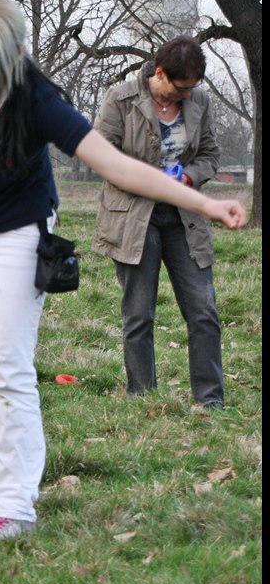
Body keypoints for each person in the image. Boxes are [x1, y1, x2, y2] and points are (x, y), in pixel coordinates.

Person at [0, 0, 246, 540]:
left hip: (19, 234)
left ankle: (14, 508)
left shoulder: (40, 100)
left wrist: (207, 204)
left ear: (14, 61)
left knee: (8, 373)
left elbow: (119, 165)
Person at [92, 35, 227, 409]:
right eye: (181, 88)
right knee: (138, 314)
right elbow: (101, 155)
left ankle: (211, 401)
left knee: (203, 311)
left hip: (184, 217)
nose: (186, 96)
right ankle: (143, 400)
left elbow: (211, 154)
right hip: (134, 217)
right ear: (161, 74)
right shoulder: (120, 98)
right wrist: (146, 178)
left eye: (192, 88)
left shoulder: (199, 101)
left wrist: (187, 178)